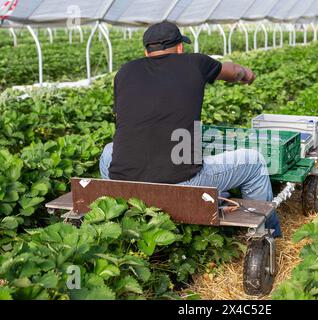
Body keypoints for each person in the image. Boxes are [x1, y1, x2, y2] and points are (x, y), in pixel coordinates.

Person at [99, 22, 281, 237]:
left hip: (125, 178)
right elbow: (232, 71)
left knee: (109, 151)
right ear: (179, 48)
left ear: (146, 51)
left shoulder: (125, 72)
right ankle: (266, 234)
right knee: (254, 161)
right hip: (183, 181)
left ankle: (122, 209)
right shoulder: (194, 63)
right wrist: (246, 74)